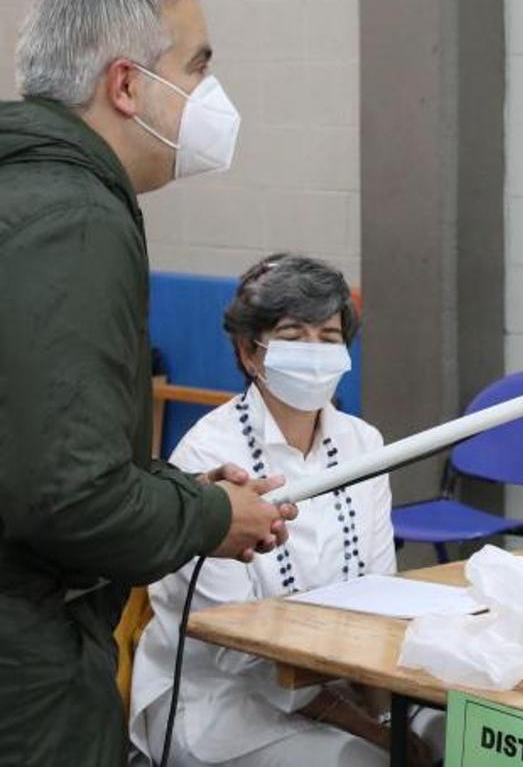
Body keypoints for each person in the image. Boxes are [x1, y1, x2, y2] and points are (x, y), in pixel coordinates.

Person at [0, 0, 296, 767]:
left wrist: (173, 491)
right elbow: (66, 498)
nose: (213, 93)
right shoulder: (73, 218)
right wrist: (209, 519)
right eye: (198, 66)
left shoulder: (20, 193)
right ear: (126, 85)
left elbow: (29, 449)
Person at [130, 254, 442, 767]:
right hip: (221, 702)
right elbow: (233, 645)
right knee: (362, 762)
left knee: (460, 734)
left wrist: (387, 715)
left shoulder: (364, 444)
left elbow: (380, 595)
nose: (314, 351)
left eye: (329, 335)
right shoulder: (210, 457)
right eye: (294, 335)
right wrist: (379, 736)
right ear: (250, 353)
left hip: (343, 683)